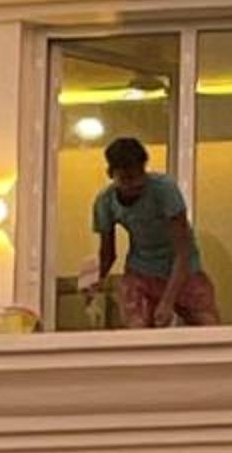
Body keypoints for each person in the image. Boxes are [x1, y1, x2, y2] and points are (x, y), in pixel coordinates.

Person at [86, 136, 221, 328]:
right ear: (111, 174)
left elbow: (183, 250)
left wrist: (167, 300)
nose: (135, 184)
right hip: (141, 270)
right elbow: (108, 253)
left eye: (139, 175)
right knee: (137, 328)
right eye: (126, 178)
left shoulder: (164, 189)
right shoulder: (105, 202)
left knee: (208, 326)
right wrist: (95, 281)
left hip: (183, 269)